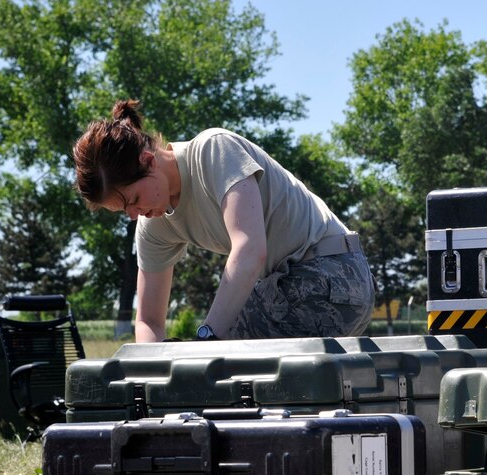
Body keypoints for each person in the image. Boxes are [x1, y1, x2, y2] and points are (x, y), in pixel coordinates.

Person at [72, 99, 374, 342]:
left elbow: (249, 251)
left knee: (216, 369)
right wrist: (151, 375)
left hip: (334, 274)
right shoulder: (154, 226)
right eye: (124, 211)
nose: (134, 215)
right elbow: (148, 320)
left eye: (134, 200)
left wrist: (206, 341)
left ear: (148, 162)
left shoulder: (213, 150)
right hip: (289, 287)